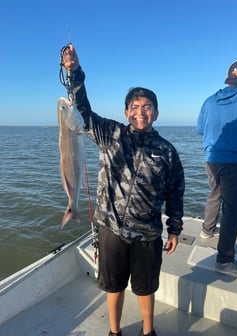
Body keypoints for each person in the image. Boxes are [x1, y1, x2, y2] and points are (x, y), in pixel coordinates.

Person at [62, 44, 185, 336]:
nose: (140, 112)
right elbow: (82, 111)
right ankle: (114, 332)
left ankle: (148, 331)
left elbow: (175, 192)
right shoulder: (110, 134)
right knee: (113, 286)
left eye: (147, 107)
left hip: (148, 233)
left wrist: (175, 228)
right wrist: (74, 72)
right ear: (126, 111)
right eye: (134, 107)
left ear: (156, 112)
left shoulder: (167, 151)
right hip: (111, 229)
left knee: (145, 288)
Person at [197, 59, 237, 274]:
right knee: (232, 210)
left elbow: (201, 129)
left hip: (212, 159)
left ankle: (207, 230)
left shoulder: (209, 101)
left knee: (214, 194)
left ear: (228, 79)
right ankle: (225, 260)